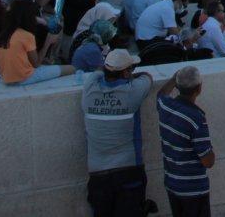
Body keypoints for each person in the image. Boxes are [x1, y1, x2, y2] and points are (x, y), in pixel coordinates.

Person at [82, 48, 154, 217]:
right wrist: (133, 75)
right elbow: (148, 77)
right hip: (128, 170)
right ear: (126, 73)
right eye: (131, 69)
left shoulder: (89, 90)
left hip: (97, 172)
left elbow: (98, 72)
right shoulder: (132, 92)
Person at [157, 66, 214, 217]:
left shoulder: (165, 106)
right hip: (193, 188)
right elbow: (208, 161)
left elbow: (161, 93)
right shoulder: (196, 118)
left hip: (172, 184)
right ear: (199, 88)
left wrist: (174, 78)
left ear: (177, 85)